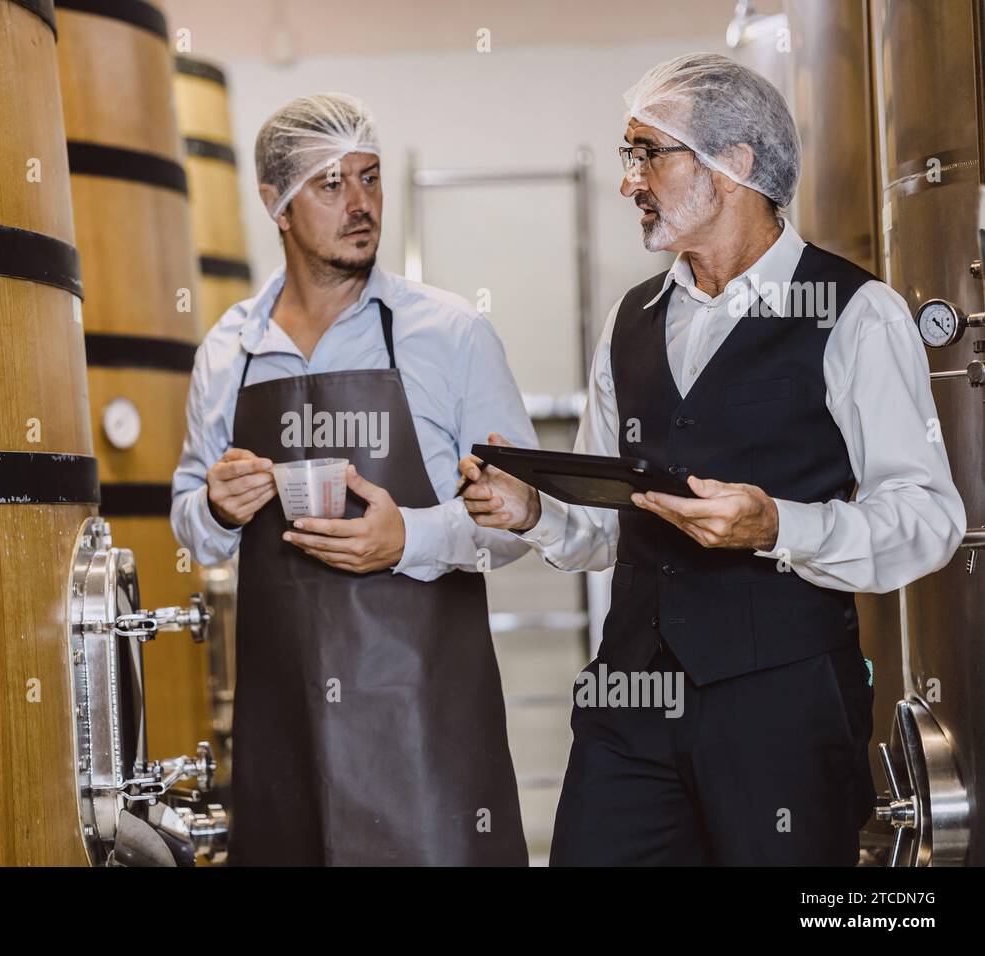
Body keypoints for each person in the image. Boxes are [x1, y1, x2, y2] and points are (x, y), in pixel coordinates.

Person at [461, 53, 965, 865]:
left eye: (647, 154)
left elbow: (929, 520)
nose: (630, 182)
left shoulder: (857, 313)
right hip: (629, 705)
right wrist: (537, 511)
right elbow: (608, 521)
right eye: (629, 158)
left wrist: (777, 526)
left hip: (785, 713)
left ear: (734, 163)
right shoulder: (630, 320)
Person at [171, 92, 537, 865]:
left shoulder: (451, 335)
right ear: (275, 203)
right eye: (330, 185)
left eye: (369, 179)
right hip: (285, 732)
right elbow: (190, 522)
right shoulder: (229, 350)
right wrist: (216, 507)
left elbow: (519, 525)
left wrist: (412, 536)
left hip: (426, 733)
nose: (361, 204)